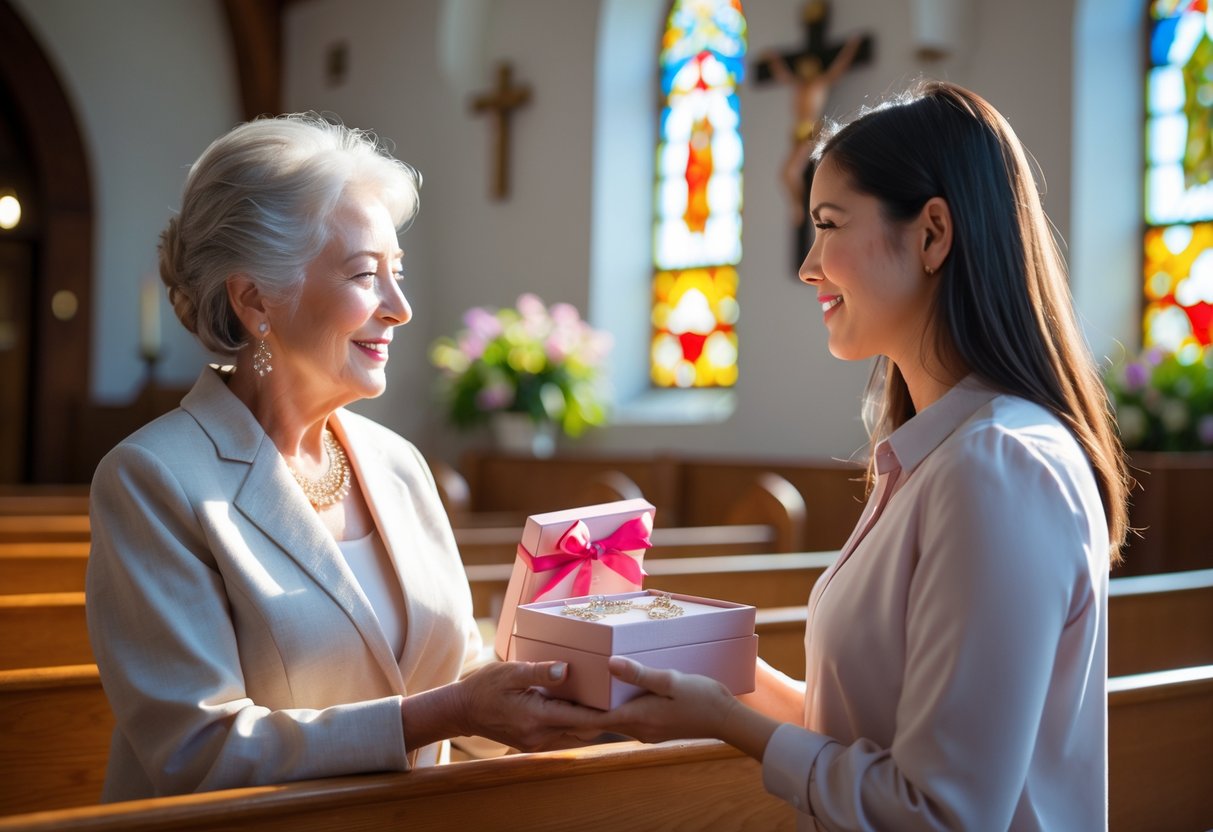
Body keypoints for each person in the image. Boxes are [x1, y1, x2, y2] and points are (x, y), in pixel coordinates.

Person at [596, 80, 1131, 830]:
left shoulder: (998, 465)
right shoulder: (938, 453)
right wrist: (713, 671)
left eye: (828, 224)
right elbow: (864, 739)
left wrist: (724, 720)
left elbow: (944, 814)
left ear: (931, 234)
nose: (807, 266)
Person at [85, 113, 600, 801]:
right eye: (365, 275)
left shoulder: (399, 465)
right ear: (254, 299)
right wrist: (447, 713)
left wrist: (565, 683)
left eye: (399, 273)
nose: (400, 308)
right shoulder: (152, 480)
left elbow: (458, 677)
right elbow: (196, 751)